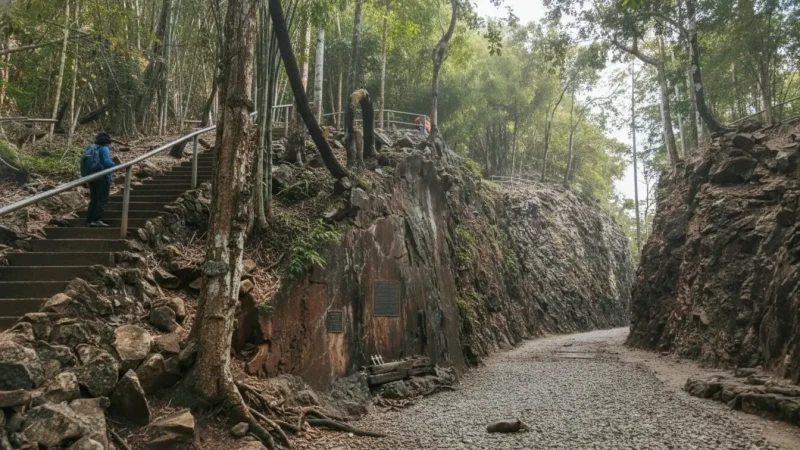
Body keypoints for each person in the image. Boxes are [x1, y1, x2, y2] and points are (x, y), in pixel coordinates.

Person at [81, 132, 116, 227]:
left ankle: (90, 220)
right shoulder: (104, 149)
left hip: (92, 177)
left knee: (94, 199)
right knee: (102, 199)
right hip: (102, 177)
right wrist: (117, 165)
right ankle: (97, 220)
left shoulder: (91, 148)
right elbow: (107, 162)